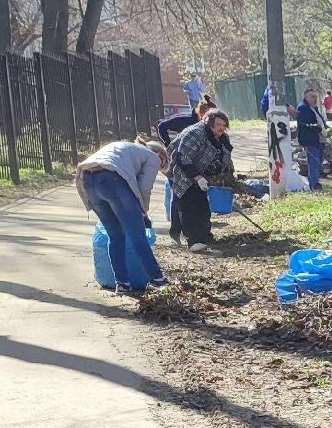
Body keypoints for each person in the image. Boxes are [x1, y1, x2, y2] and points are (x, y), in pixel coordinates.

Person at [76, 137, 169, 292]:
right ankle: (157, 279)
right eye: (161, 165)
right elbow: (144, 188)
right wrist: (143, 213)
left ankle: (122, 283)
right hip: (111, 179)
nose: (157, 169)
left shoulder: (126, 148)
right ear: (160, 156)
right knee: (137, 234)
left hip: (87, 179)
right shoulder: (152, 157)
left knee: (115, 235)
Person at [168, 110, 232, 252]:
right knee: (189, 207)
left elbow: (224, 156)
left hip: (202, 177)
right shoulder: (195, 133)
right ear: (208, 123)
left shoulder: (221, 137)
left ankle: (204, 237)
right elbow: (183, 157)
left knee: (202, 207)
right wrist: (197, 177)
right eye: (217, 124)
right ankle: (193, 241)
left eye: (223, 124)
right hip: (183, 173)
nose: (221, 127)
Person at [296, 89, 327, 190]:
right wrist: (314, 127)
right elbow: (303, 122)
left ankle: (315, 181)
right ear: (306, 97)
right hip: (310, 140)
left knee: (319, 160)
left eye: (316, 97)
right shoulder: (302, 108)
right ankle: (314, 185)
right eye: (312, 96)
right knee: (313, 162)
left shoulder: (314, 108)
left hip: (319, 139)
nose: (315, 99)